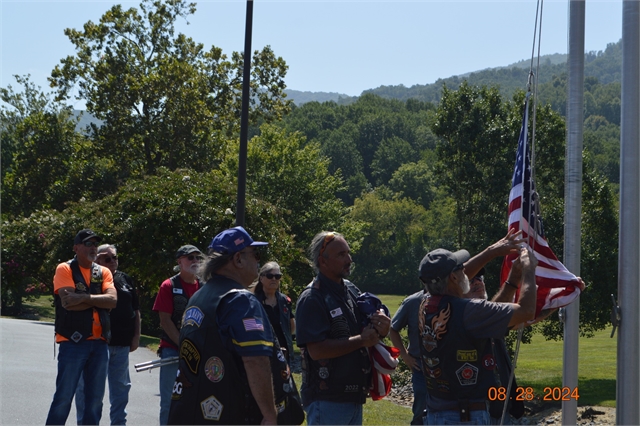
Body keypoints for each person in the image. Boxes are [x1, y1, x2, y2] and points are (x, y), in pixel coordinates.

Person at [167, 226, 303, 425]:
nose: (258, 260)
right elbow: (255, 360)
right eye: (255, 254)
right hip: (233, 413)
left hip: (196, 412)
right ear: (238, 259)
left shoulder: (199, 297)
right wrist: (269, 414)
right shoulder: (240, 300)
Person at [417, 241, 538, 426]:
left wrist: (492, 252)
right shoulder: (469, 311)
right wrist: (529, 269)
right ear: (454, 278)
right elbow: (526, 311)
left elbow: (455, 278)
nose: (466, 272)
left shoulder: (425, 305)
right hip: (463, 418)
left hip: (436, 413)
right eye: (460, 269)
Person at [295, 231, 391, 425]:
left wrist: (382, 326)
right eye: (341, 254)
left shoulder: (350, 289)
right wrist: (361, 341)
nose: (349, 259)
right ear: (323, 261)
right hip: (327, 399)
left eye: (348, 253)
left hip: (353, 397)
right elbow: (317, 350)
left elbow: (366, 329)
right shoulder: (313, 298)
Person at [46, 229, 117, 425]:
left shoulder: (103, 271)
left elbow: (112, 300)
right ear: (76, 248)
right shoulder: (65, 269)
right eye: (88, 243)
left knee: (95, 402)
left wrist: (83, 298)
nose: (93, 247)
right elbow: (68, 302)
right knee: (63, 398)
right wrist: (97, 300)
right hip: (73, 342)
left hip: (100, 343)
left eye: (95, 244)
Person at [75, 244, 141, 425]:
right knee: (90, 391)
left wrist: (136, 337)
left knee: (121, 390)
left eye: (115, 258)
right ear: (96, 260)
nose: (112, 261)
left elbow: (135, 311)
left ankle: (118, 423)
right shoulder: (88, 279)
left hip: (121, 345)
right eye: (107, 258)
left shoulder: (125, 279)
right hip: (96, 344)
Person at [152, 244, 203, 425]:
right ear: (179, 261)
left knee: (197, 401)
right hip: (172, 351)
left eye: (198, 257)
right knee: (169, 401)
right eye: (190, 258)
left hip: (200, 354)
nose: (195, 261)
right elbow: (165, 321)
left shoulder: (205, 287)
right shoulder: (169, 285)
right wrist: (184, 346)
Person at [389, 289, 427, 425]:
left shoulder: (452, 298)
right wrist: (405, 355)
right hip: (421, 367)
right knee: (420, 414)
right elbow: (392, 329)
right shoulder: (413, 302)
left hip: (447, 369)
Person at [252, 261, 296, 363]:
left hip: (284, 354)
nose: (274, 279)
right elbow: (249, 326)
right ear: (261, 278)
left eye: (277, 276)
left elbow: (292, 326)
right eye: (270, 276)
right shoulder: (253, 301)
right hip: (262, 353)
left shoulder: (285, 301)